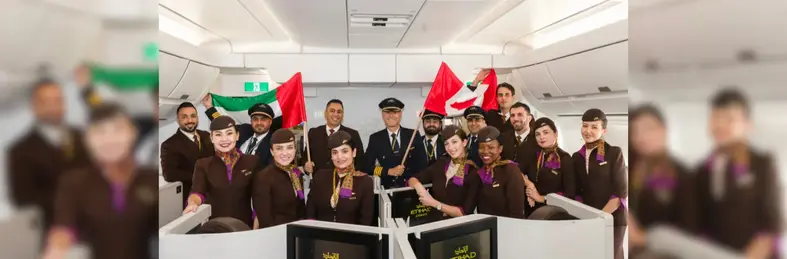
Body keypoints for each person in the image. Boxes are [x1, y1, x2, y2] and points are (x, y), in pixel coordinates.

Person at [43, 103, 157, 259]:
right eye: (99, 132)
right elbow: (64, 229)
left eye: (118, 129)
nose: (109, 140)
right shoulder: (73, 182)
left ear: (133, 132)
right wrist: (56, 249)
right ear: (88, 140)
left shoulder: (152, 179)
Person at [694, 89, 781, 258]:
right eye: (715, 117)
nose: (720, 125)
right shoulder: (701, 170)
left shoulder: (762, 163)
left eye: (729, 119)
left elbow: (772, 218)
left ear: (747, 124)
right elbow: (701, 222)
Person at [8, 79, 92, 237]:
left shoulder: (84, 138)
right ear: (34, 106)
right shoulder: (20, 150)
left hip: (93, 228)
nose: (53, 106)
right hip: (51, 231)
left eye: (58, 100)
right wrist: (70, 200)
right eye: (45, 101)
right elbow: (23, 200)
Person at [627, 104, 697, 255]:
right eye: (635, 132)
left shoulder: (683, 175)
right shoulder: (631, 169)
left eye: (648, 129)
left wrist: (642, 238)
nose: (641, 137)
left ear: (663, 130)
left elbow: (689, 232)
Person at [183, 116, 261, 228]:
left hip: (244, 225)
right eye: (218, 134)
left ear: (237, 136)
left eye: (229, 133)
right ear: (212, 138)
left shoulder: (252, 161)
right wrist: (192, 203)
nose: (224, 139)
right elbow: (197, 192)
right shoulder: (203, 164)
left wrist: (256, 228)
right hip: (214, 226)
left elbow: (259, 196)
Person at [571, 108, 627, 259]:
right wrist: (586, 218)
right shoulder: (577, 157)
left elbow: (620, 192)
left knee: (611, 254)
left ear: (604, 131)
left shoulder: (614, 153)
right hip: (588, 218)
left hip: (613, 217)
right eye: (585, 125)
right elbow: (577, 191)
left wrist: (600, 218)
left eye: (594, 127)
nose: (587, 130)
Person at [408, 125, 480, 220]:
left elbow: (464, 213)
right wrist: (421, 190)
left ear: (464, 142)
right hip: (435, 222)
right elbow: (413, 179)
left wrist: (433, 203)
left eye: (454, 142)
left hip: (460, 227)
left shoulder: (473, 172)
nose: (450, 147)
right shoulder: (441, 164)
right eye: (446, 143)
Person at [306, 131, 374, 225]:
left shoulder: (365, 182)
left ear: (353, 152)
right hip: (321, 235)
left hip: (351, 237)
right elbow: (310, 210)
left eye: (344, 151)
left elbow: (366, 220)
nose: (339, 157)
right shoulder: (320, 177)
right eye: (335, 152)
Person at [160, 102, 214, 206]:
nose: (190, 120)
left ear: (197, 118)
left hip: (212, 194)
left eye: (193, 116)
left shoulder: (206, 135)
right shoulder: (169, 145)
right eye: (184, 117)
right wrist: (201, 177)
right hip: (190, 198)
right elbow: (169, 174)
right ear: (177, 120)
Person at [203, 95, 277, 168]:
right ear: (251, 121)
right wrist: (209, 107)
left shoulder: (274, 141)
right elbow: (223, 124)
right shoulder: (244, 130)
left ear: (270, 122)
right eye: (255, 119)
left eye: (263, 119)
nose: (259, 123)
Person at [364, 97, 424, 188]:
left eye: (395, 112)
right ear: (382, 115)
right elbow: (366, 167)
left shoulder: (413, 135)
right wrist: (388, 171)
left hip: (410, 188)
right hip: (387, 191)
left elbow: (422, 164)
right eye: (387, 112)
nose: (391, 115)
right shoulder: (375, 138)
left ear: (400, 114)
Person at [253, 128, 307, 228]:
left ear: (295, 149)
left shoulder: (296, 174)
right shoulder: (263, 177)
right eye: (279, 148)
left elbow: (300, 209)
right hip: (275, 235)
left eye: (289, 147)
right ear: (272, 151)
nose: (285, 153)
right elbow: (265, 219)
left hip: (294, 234)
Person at [524, 117, 576, 213]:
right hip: (531, 210)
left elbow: (569, 194)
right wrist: (529, 185)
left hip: (553, 212)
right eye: (537, 134)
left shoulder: (564, 158)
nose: (541, 137)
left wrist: (542, 198)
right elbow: (518, 172)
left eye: (546, 132)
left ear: (555, 134)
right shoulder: (533, 155)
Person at [301, 99, 365, 175]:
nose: (336, 114)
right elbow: (305, 157)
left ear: (342, 115)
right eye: (332, 111)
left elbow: (361, 161)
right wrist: (306, 165)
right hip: (318, 182)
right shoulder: (313, 133)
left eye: (339, 112)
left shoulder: (353, 134)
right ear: (325, 113)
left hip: (345, 183)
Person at [474, 126, 526, 219]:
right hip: (487, 228)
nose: (485, 151)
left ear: (500, 149)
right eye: (481, 147)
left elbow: (517, 212)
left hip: (508, 228)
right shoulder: (480, 172)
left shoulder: (510, 170)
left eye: (491, 147)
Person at [499, 102, 538, 174]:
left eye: (520, 115)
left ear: (529, 118)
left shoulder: (537, 139)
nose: (515, 119)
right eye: (512, 115)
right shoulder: (503, 138)